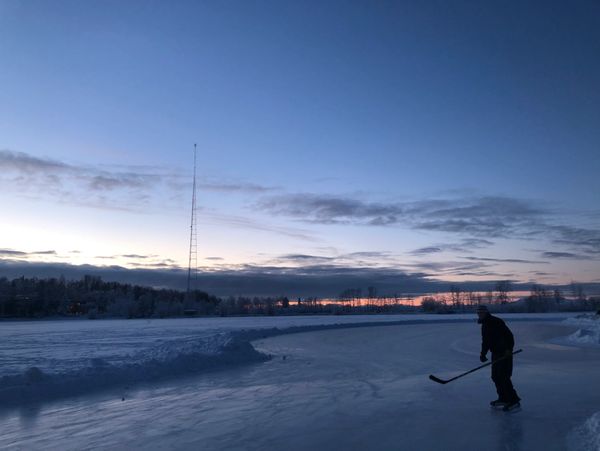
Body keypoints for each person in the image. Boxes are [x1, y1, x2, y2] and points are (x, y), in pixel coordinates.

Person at [476, 304, 521, 411]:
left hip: (505, 353)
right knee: (495, 377)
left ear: (486, 312)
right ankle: (503, 398)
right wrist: (483, 353)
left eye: (482, 312)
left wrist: (508, 350)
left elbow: (509, 336)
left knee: (504, 377)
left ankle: (513, 400)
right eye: (478, 312)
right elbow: (486, 341)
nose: (480, 314)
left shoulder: (496, 322)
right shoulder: (485, 325)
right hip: (496, 353)